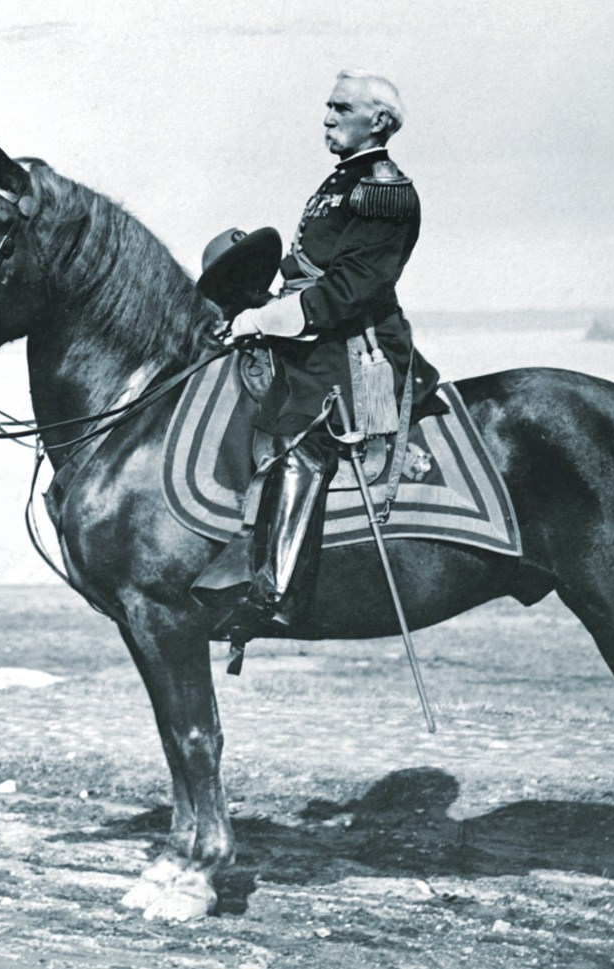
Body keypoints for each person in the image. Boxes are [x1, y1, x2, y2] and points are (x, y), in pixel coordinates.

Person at [201, 69, 440, 642]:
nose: (327, 117)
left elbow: (349, 289)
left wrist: (265, 319)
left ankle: (275, 593)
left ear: (378, 120)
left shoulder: (385, 189)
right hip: (322, 332)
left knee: (300, 441)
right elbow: (307, 270)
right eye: (327, 107)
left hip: (360, 346)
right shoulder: (344, 181)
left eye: (340, 108)